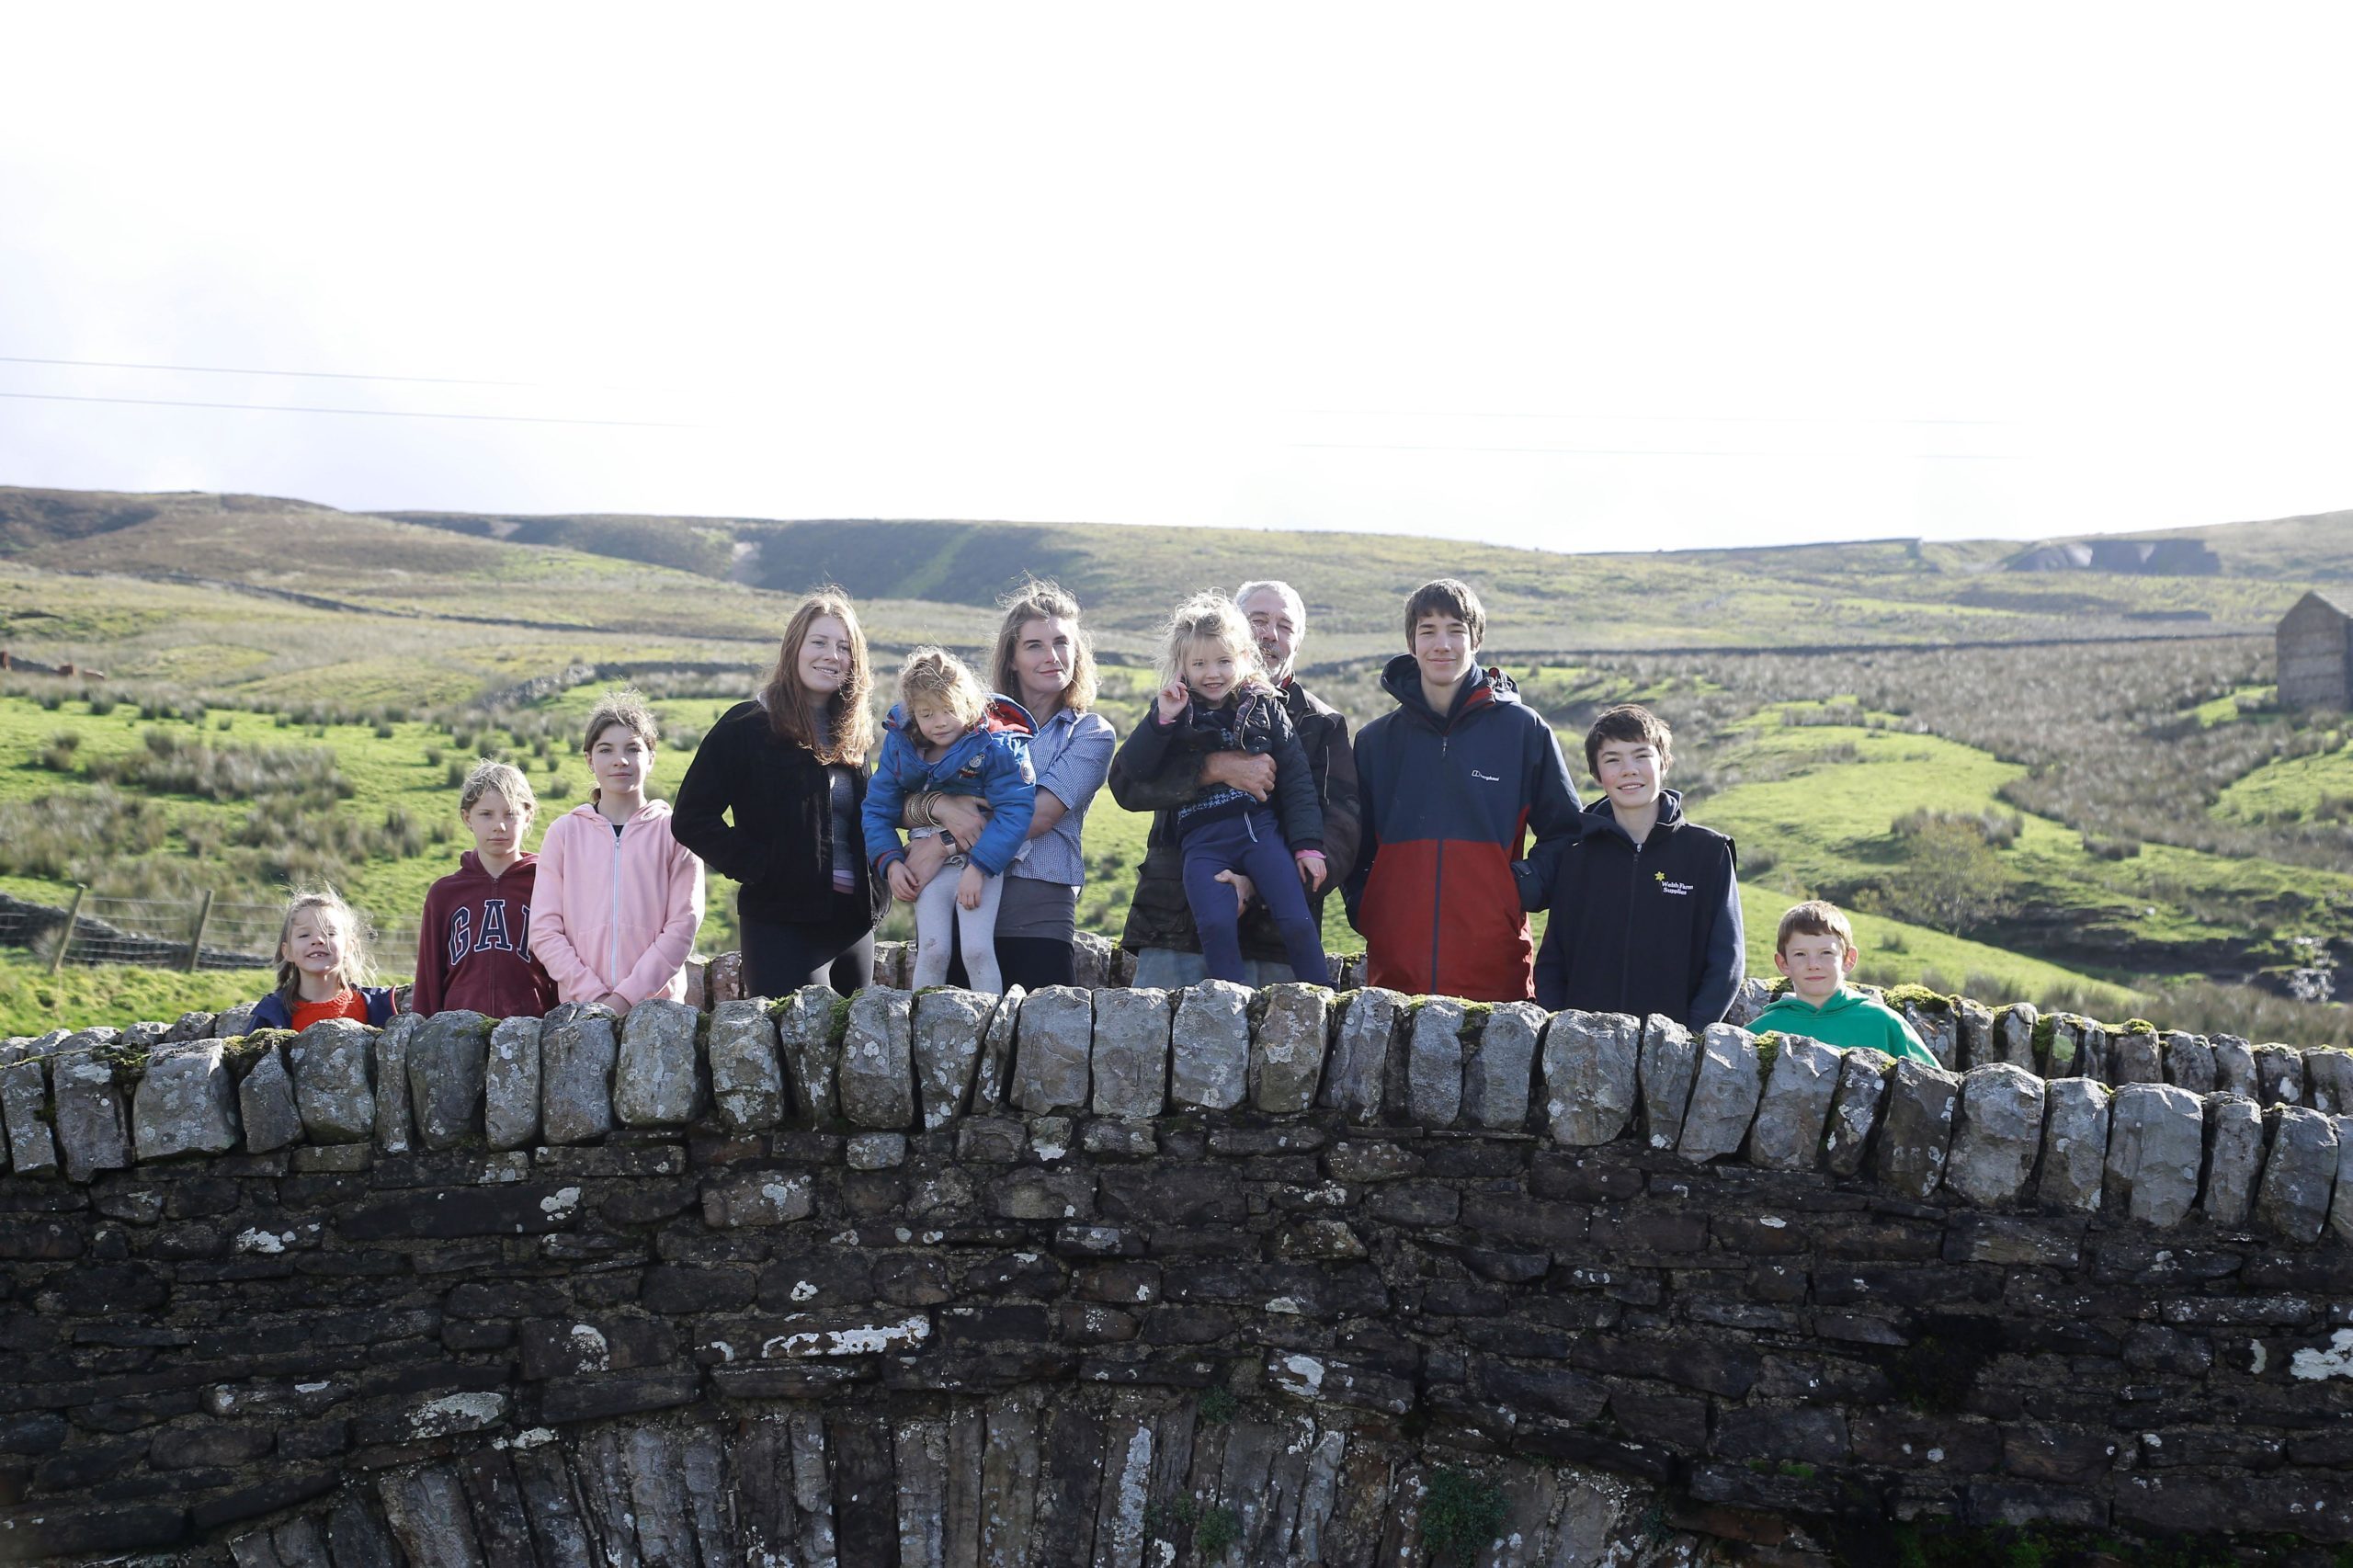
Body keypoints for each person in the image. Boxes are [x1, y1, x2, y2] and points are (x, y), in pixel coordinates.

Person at [1343, 577, 1581, 1001]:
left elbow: (1567, 834)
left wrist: (1519, 887)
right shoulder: (1376, 741)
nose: (1442, 645)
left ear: (1476, 640)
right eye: (1428, 631)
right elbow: (1353, 845)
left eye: (1456, 630)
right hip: (1396, 977)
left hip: (1497, 974)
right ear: (1411, 643)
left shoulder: (1523, 730)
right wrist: (1371, 907)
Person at [1113, 579, 1360, 989]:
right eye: (1258, 620)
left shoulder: (1322, 723)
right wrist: (1212, 769)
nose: (1270, 634)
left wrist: (1259, 887)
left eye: (1285, 625)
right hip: (1175, 932)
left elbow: (1339, 831)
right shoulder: (1177, 706)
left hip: (1275, 945)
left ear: (1299, 639)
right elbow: (1127, 783)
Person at [675, 590, 886, 999]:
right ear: (795, 649)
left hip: (854, 925)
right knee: (800, 1038)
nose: (832, 656)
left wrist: (881, 884)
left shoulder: (852, 733)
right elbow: (691, 818)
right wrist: (762, 867)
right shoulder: (747, 725)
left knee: (856, 1039)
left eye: (844, 647)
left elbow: (868, 818)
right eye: (819, 642)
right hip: (781, 924)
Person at [906, 580, 1114, 992]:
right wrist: (940, 807)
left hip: (1036, 918)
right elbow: (902, 799)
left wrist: (942, 843)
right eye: (1035, 645)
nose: (1052, 656)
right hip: (957, 912)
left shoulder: (1090, 733)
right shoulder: (963, 722)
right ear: (1012, 658)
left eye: (1062, 642)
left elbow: (1038, 815)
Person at [1528, 705, 1743, 1027]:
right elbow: (1552, 961)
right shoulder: (1575, 857)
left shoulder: (1709, 852)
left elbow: (1727, 961)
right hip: (1584, 1043)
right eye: (1613, 760)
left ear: (1664, 762)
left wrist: (1688, 1035)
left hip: (1674, 1044)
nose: (1629, 770)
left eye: (1641, 756)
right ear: (1597, 774)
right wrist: (1563, 1027)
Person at [863, 646, 1037, 994]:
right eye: (926, 713)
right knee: (932, 950)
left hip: (981, 859)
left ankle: (993, 1021)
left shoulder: (997, 745)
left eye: (949, 709)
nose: (939, 721)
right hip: (927, 862)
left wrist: (980, 868)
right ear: (912, 713)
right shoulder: (903, 746)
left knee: (977, 950)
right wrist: (891, 863)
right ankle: (920, 1017)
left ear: (969, 703)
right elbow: (877, 808)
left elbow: (1015, 810)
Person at [529, 689, 704, 1015]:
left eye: (633, 749)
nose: (620, 760)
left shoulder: (677, 833)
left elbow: (684, 925)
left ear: (651, 757)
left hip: (657, 1012)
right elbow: (543, 930)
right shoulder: (563, 834)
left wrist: (624, 999)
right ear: (589, 759)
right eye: (606, 749)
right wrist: (594, 996)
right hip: (581, 1010)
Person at [413, 760, 559, 1018]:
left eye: (510, 814)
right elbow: (428, 977)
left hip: (530, 1027)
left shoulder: (547, 884)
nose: (498, 826)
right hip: (457, 1030)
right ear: (467, 818)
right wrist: (421, 1029)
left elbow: (560, 968)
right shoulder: (444, 894)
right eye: (486, 814)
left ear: (528, 815)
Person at [1747, 901, 1938, 1063]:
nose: (1813, 965)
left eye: (1826, 953)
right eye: (1800, 954)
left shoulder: (1885, 1023)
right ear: (1783, 963)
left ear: (1849, 959)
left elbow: (1934, 1087)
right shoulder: (1759, 1033)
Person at [249, 887, 399, 1030]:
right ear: (287, 951)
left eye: (330, 933)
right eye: (304, 935)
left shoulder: (381, 1007)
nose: (318, 940)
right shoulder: (270, 1016)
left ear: (349, 946)